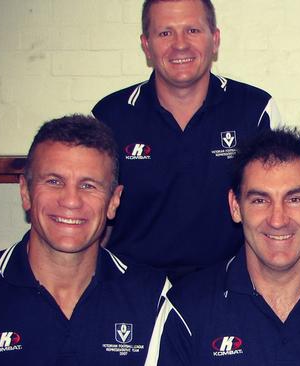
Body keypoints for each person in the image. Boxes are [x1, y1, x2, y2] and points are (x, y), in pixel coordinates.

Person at [144, 129, 300, 365]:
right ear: (235, 206)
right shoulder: (186, 310)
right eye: (259, 200)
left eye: (295, 199)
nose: (278, 220)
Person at [92, 0, 282, 280]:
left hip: (229, 287)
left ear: (214, 39)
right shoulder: (110, 116)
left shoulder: (255, 110)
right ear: (146, 45)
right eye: (165, 33)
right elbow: (92, 218)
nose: (180, 45)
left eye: (192, 30)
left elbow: (278, 211)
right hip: (132, 288)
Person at [0, 115, 171, 365]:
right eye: (54, 181)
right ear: (25, 192)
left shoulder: (153, 295)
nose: (70, 201)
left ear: (114, 201)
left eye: (88, 185)